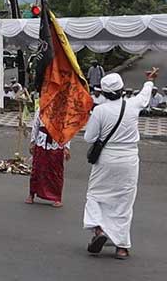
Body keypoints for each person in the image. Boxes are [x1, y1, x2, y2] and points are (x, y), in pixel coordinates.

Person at [83, 69, 157, 260]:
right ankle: (121, 247)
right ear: (122, 90)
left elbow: (89, 137)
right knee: (124, 202)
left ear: (104, 93)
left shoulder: (99, 110)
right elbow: (144, 96)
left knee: (95, 195)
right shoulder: (132, 105)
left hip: (106, 159)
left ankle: (98, 230)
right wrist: (149, 80)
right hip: (129, 159)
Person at [26, 109, 71, 208]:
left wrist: (67, 147)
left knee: (56, 171)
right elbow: (36, 126)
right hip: (42, 142)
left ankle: (56, 197)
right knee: (37, 169)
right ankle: (31, 193)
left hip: (57, 143)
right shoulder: (41, 108)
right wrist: (32, 141)